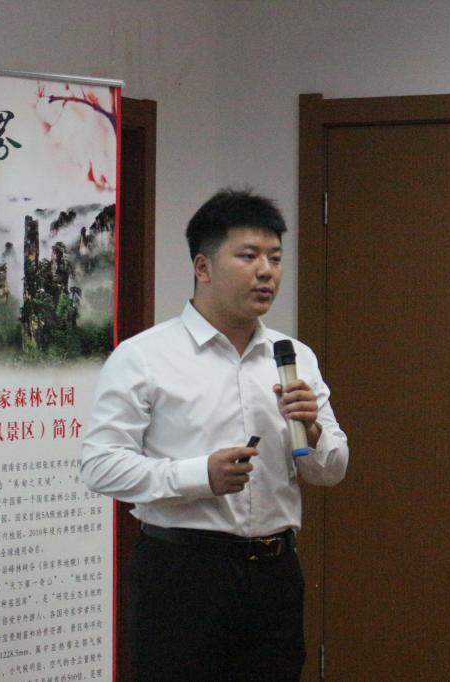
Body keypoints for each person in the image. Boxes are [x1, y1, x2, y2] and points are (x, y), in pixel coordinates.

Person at [80, 188, 348, 681]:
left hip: (274, 574)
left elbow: (330, 471)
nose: (266, 272)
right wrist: (199, 475)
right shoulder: (144, 356)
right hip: (182, 574)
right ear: (203, 267)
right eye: (248, 256)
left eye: (275, 258)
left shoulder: (294, 356)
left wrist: (312, 430)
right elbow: (100, 466)